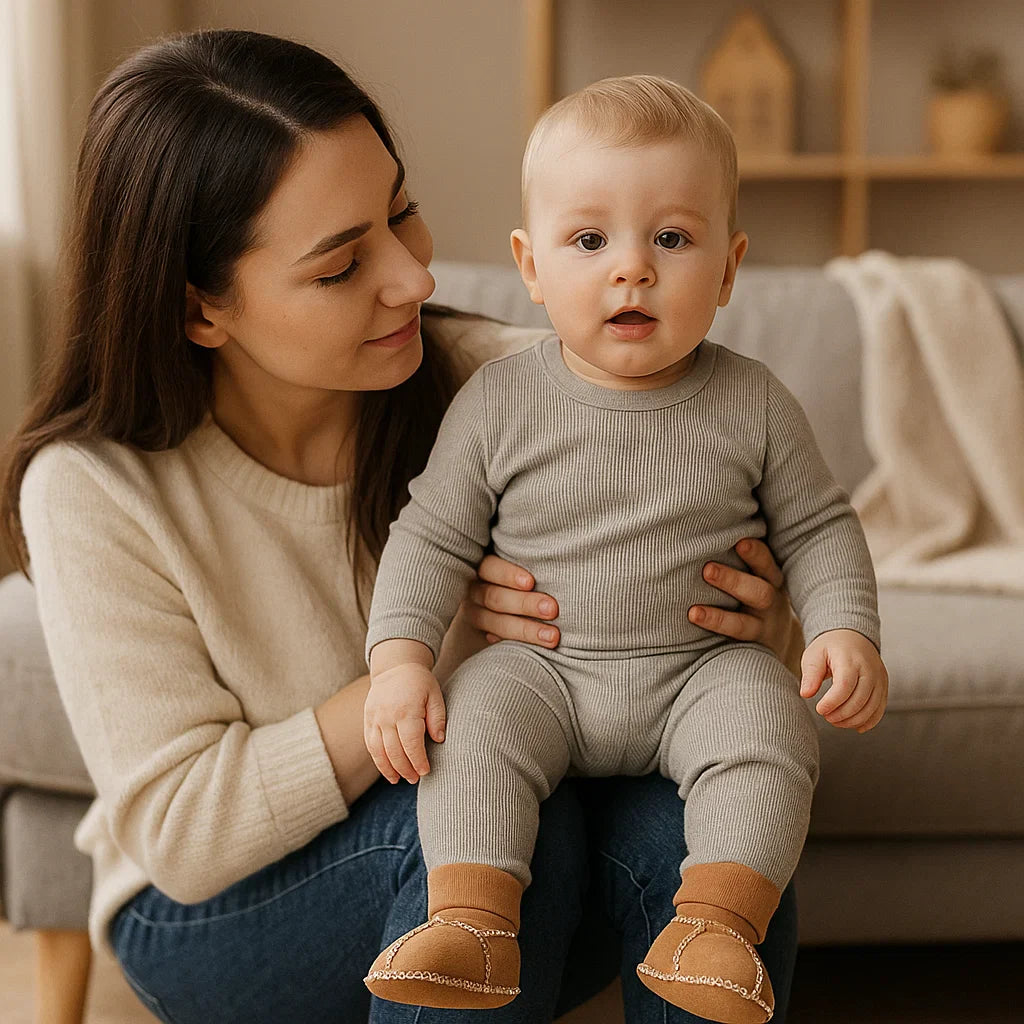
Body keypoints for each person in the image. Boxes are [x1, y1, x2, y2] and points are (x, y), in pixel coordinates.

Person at [0, 33, 803, 1024]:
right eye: (341, 267)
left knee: (707, 842)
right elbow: (186, 832)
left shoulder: (516, 387)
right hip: (217, 914)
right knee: (476, 820)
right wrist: (421, 656)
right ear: (200, 308)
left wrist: (760, 634)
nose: (413, 279)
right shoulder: (94, 487)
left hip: (517, 847)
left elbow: (732, 675)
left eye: (401, 213)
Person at [363, 76, 889, 1022]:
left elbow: (820, 525)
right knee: (468, 724)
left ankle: (717, 930)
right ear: (530, 264)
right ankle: (472, 925)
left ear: (729, 270)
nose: (632, 270)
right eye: (590, 240)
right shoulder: (498, 400)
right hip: (541, 674)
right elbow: (431, 536)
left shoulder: (754, 400)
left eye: (672, 239)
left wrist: (844, 630)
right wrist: (400, 660)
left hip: (699, 672)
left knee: (769, 726)